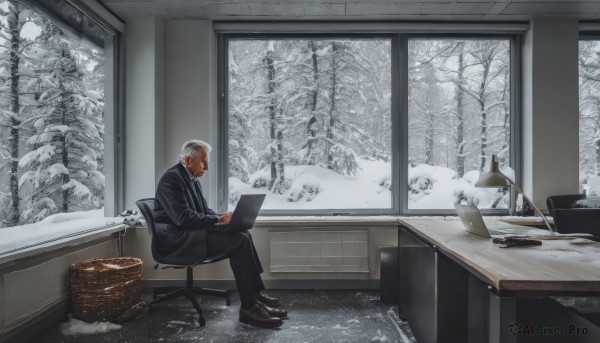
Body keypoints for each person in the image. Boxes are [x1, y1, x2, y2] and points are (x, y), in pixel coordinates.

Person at [154, 139, 287, 328]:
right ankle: (249, 308)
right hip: (177, 240)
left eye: (207, 161)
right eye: (203, 161)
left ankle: (255, 296)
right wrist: (216, 221)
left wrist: (220, 217)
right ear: (188, 160)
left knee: (243, 234)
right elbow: (183, 218)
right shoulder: (172, 179)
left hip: (190, 235)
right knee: (239, 241)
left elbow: (202, 211)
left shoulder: (192, 179)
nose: (207, 166)